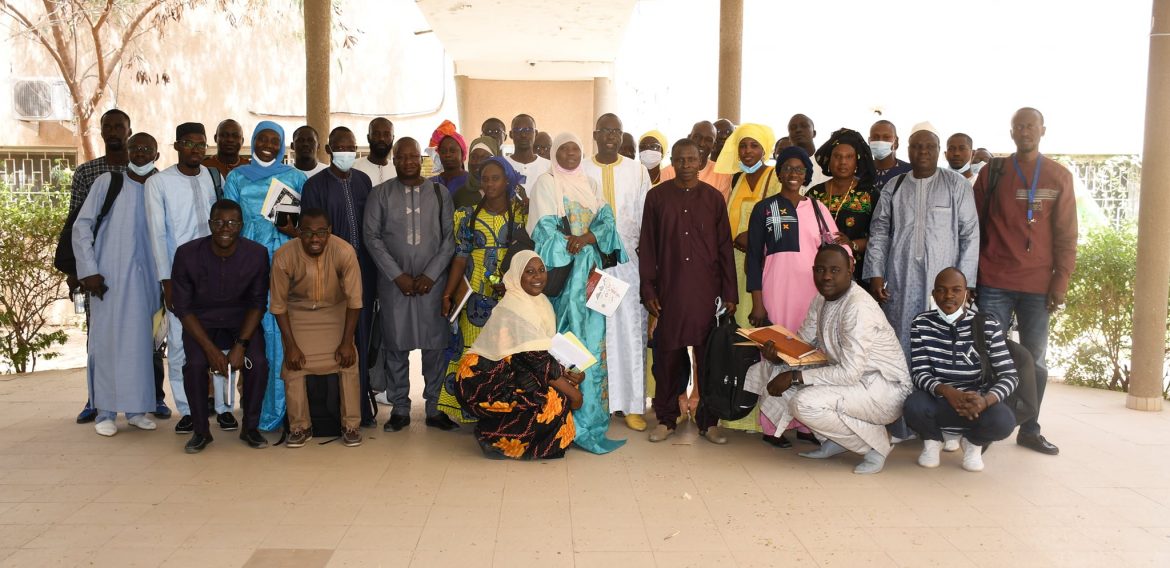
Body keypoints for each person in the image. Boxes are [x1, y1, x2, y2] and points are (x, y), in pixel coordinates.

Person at [746, 245, 912, 474]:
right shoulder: (821, 299)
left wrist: (794, 376)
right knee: (768, 373)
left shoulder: (858, 307)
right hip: (852, 380)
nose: (826, 276)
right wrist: (779, 356)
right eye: (820, 270)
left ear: (850, 270)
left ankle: (874, 447)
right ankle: (834, 441)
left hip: (883, 389)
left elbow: (850, 373)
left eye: (834, 270)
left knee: (803, 402)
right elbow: (803, 345)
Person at [973, 107, 1077, 456]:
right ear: (1011, 132)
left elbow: (1067, 235)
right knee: (990, 355)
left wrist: (1059, 282)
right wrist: (973, 278)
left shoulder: (1059, 175)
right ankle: (986, 426)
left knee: (1034, 361)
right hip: (995, 279)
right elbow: (973, 227)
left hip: (1037, 285)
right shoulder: (994, 171)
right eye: (1019, 126)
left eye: (1031, 125)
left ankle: (1029, 427)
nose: (1025, 131)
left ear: (1042, 130)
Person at [65, 109, 169, 423]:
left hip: (148, 281)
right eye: (135, 147)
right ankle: (106, 413)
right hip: (106, 278)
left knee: (142, 345)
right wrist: (88, 271)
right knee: (106, 343)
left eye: (146, 149)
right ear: (127, 149)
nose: (140, 152)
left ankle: (138, 409)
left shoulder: (160, 185)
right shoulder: (107, 181)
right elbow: (81, 226)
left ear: (156, 153)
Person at [528, 132, 627, 454]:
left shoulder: (590, 183)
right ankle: (560, 424)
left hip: (592, 278)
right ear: (555, 153)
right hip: (564, 279)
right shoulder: (546, 182)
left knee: (594, 347)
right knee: (562, 346)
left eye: (575, 149)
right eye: (564, 149)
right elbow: (543, 230)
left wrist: (587, 240)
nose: (570, 154)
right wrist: (575, 246)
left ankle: (591, 423)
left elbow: (608, 221)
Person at [745, 147, 845, 445]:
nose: (792, 174)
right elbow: (753, 259)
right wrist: (758, 302)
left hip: (813, 295)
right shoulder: (765, 208)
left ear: (806, 176)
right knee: (776, 356)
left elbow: (838, 248)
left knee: (810, 358)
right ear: (779, 172)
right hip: (776, 291)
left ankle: (804, 424)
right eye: (787, 168)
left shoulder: (817, 208)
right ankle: (770, 426)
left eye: (799, 170)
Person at [639, 139, 737, 444]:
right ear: (672, 161)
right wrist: (648, 288)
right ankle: (667, 418)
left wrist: (730, 293)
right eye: (680, 160)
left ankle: (708, 421)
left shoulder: (713, 199)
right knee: (667, 357)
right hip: (668, 289)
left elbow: (724, 248)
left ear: (700, 162)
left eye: (691, 159)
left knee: (708, 357)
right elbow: (648, 247)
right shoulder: (656, 198)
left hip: (705, 291)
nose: (685, 165)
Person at [364, 138, 457, 432]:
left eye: (413, 156)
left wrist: (431, 275)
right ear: (394, 161)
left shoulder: (440, 193)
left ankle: (434, 407)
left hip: (433, 284)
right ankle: (400, 409)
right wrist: (398, 275)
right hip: (394, 285)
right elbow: (372, 238)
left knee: (434, 348)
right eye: (402, 157)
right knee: (395, 348)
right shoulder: (380, 194)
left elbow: (449, 239)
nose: (408, 162)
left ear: (421, 158)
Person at [863, 125, 980, 356]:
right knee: (900, 334)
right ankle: (902, 386)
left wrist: (964, 284)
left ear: (939, 151)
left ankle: (939, 385)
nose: (923, 151)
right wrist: (876, 273)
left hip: (944, 280)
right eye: (917, 147)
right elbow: (879, 232)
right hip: (899, 275)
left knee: (943, 336)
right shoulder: (894, 186)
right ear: (908, 150)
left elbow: (970, 234)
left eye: (929, 147)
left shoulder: (957, 185)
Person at [451, 251, 580, 459]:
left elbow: (547, 351)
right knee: (549, 397)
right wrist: (575, 394)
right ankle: (497, 440)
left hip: (512, 368)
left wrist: (574, 371)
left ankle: (506, 435)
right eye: (529, 272)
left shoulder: (540, 302)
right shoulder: (515, 306)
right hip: (482, 378)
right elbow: (540, 362)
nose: (538, 277)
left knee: (562, 386)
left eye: (541, 270)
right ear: (517, 276)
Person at [223, 121, 309, 435]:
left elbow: (307, 225)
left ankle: (288, 410)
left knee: (284, 336)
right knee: (252, 338)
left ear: (283, 144)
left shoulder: (296, 177)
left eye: (275, 140)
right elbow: (229, 224)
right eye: (262, 138)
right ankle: (254, 411)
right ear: (254, 141)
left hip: (287, 263)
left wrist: (293, 232)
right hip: (249, 264)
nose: (268, 144)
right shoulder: (236, 178)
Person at [170, 200, 270, 453]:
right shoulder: (186, 253)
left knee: (257, 362)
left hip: (241, 323)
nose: (225, 228)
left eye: (232, 223)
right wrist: (211, 351)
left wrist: (241, 345)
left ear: (241, 226)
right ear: (209, 224)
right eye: (219, 222)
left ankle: (250, 427)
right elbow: (183, 308)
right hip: (201, 324)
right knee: (194, 365)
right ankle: (201, 432)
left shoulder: (257, 254)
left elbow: (258, 304)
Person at [144, 122, 222, 435]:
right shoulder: (159, 183)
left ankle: (224, 408)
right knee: (179, 345)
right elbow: (157, 233)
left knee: (219, 340)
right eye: (189, 144)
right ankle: (188, 410)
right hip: (180, 277)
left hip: (215, 273)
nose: (196, 150)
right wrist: (167, 282)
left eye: (201, 144)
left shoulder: (209, 176)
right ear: (177, 146)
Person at [437, 156, 528, 424]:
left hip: (512, 292)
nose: (489, 183)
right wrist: (447, 294)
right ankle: (471, 410)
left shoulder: (522, 213)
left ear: (508, 180)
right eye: (485, 178)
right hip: (475, 294)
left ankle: (506, 410)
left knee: (509, 351)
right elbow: (460, 257)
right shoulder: (466, 214)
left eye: (495, 178)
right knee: (473, 349)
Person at [300, 126, 378, 428]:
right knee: (335, 338)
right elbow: (312, 234)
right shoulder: (315, 186)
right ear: (329, 150)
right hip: (331, 272)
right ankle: (335, 410)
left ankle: (360, 408)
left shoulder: (363, 180)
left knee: (362, 335)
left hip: (365, 272)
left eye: (350, 146)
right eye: (339, 146)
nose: (345, 151)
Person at [905, 268, 1018, 472]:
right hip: (938, 400)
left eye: (956, 290)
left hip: (976, 404)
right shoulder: (921, 323)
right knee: (912, 406)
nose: (949, 296)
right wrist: (948, 392)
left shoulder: (988, 324)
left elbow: (1010, 376)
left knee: (1004, 421)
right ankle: (933, 442)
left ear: (967, 293)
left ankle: (973, 443)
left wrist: (985, 401)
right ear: (933, 294)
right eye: (941, 290)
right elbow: (920, 374)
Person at [270, 209, 364, 448]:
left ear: (329, 232)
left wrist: (346, 342)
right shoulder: (284, 255)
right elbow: (279, 305)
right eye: (308, 233)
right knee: (293, 365)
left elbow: (354, 301)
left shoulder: (344, 251)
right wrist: (290, 345)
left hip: (336, 312)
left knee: (349, 362)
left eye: (321, 233)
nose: (315, 239)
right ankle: (300, 427)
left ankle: (351, 425)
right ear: (298, 232)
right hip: (298, 314)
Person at [583, 113, 651, 432]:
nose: (611, 135)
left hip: (627, 265)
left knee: (629, 334)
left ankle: (632, 405)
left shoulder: (637, 171)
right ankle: (596, 404)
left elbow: (645, 219)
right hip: (591, 264)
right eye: (605, 130)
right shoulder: (580, 167)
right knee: (595, 333)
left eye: (617, 131)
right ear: (595, 134)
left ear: (622, 136)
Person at [716, 123, 780, 329]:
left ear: (764, 149)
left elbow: (782, 220)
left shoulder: (776, 177)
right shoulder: (737, 179)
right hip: (735, 263)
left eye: (754, 145)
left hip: (763, 262)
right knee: (739, 323)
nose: (748, 151)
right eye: (743, 146)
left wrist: (754, 239)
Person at [807, 128, 879, 282]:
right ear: (829, 159)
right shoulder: (814, 194)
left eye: (849, 157)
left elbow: (880, 236)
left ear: (857, 161)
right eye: (837, 156)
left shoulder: (870, 194)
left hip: (857, 274)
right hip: (818, 272)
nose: (843, 162)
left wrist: (851, 244)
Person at [659, 121, 733, 200]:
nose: (701, 143)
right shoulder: (668, 172)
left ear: (714, 146)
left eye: (708, 140)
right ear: (689, 138)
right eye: (697, 137)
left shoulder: (722, 175)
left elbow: (720, 209)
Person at [505, 114, 549, 203]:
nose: (523, 135)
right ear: (511, 134)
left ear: (535, 133)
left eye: (528, 130)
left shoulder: (549, 166)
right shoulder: (502, 165)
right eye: (517, 130)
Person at [428, 122, 473, 207]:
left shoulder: (471, 181)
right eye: (443, 151)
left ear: (462, 153)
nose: (448, 154)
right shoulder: (430, 183)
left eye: (452, 151)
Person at [787, 113, 829, 187]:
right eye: (793, 128)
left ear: (814, 133)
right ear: (789, 137)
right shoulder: (783, 168)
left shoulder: (827, 165)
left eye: (804, 126)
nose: (798, 130)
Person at [869, 120, 912, 189]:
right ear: (869, 141)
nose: (880, 141)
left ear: (896, 142)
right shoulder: (860, 171)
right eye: (875, 137)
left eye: (886, 137)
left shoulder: (910, 172)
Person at [353, 117, 397, 185]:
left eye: (386, 135)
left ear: (393, 138)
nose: (381, 138)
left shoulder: (397, 171)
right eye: (376, 134)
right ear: (368, 138)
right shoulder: (353, 168)